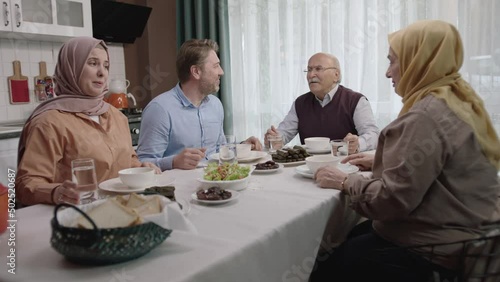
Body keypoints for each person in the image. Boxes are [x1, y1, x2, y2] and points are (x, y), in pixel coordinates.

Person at [309, 20, 500, 281]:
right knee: (349, 235)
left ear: (418, 60)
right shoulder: (459, 98)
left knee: (324, 265)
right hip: (472, 235)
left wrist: (343, 180)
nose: (388, 73)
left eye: (393, 61)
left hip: (436, 250)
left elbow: (390, 202)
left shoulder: (425, 115)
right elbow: (445, 160)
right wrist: (383, 157)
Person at [16, 37, 160, 206]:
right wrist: (56, 192)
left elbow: (129, 160)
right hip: (74, 217)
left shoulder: (117, 116)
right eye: (93, 63)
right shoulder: (49, 122)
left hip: (123, 209)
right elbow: (27, 183)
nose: (102, 72)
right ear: (72, 68)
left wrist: (141, 166)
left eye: (106, 66)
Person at [137, 39, 262, 171]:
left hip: (216, 183)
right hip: (180, 188)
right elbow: (142, 163)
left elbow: (220, 149)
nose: (221, 72)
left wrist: (243, 146)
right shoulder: (159, 109)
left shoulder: (215, 105)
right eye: (215, 66)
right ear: (196, 71)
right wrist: (173, 162)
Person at [264, 52, 379, 153]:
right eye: (309, 70)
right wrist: (275, 139)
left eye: (318, 69)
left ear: (336, 75)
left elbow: (373, 135)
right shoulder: (300, 103)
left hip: (345, 166)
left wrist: (357, 143)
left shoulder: (355, 101)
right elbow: (284, 133)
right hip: (308, 167)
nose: (311, 75)